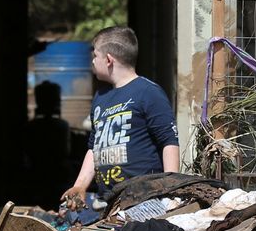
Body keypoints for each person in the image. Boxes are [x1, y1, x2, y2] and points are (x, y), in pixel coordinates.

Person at [61, 26, 180, 209]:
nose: (92, 62)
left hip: (143, 199)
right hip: (108, 203)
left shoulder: (148, 92)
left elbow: (169, 142)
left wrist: (171, 192)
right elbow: (94, 148)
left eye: (95, 56)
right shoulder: (100, 98)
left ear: (108, 60)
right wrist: (79, 185)